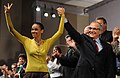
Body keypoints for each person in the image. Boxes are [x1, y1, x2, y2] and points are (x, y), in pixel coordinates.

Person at [4, 3, 65, 78]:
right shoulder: (26, 41)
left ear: (42, 31)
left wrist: (62, 16)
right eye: (32, 29)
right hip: (30, 74)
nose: (33, 31)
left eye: (36, 29)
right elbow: (12, 30)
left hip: (44, 74)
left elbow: (60, 32)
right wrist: (7, 14)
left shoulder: (47, 42)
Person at [57, 7, 116, 78]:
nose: (91, 30)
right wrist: (63, 17)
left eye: (94, 29)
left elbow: (110, 65)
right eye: (90, 28)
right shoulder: (83, 40)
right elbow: (72, 32)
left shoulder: (107, 46)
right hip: (84, 75)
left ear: (100, 31)